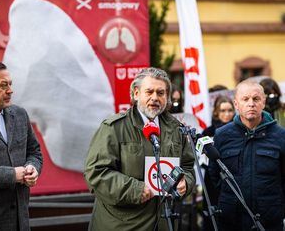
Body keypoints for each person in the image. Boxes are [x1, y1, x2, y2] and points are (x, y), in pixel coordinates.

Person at [84, 67, 195, 231]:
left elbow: (188, 166)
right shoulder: (114, 127)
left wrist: (186, 182)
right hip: (123, 225)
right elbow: (96, 173)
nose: (155, 98)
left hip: (165, 222)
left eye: (160, 93)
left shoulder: (177, 129)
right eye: (149, 92)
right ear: (136, 94)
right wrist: (136, 190)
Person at [209, 80, 285, 231]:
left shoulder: (280, 136)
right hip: (231, 221)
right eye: (245, 99)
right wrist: (228, 202)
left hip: (269, 222)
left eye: (256, 99)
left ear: (263, 102)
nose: (251, 104)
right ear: (236, 104)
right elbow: (214, 176)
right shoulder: (222, 135)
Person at [0, 62, 43, 231]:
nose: (10, 90)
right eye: (3, 86)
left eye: (10, 84)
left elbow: (34, 152)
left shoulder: (19, 114)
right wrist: (12, 175)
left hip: (21, 220)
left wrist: (32, 168)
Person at [201, 95, 235, 231]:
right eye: (223, 111)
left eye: (229, 110)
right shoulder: (208, 132)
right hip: (211, 178)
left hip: (233, 175)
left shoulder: (238, 130)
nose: (227, 114)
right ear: (216, 112)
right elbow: (201, 157)